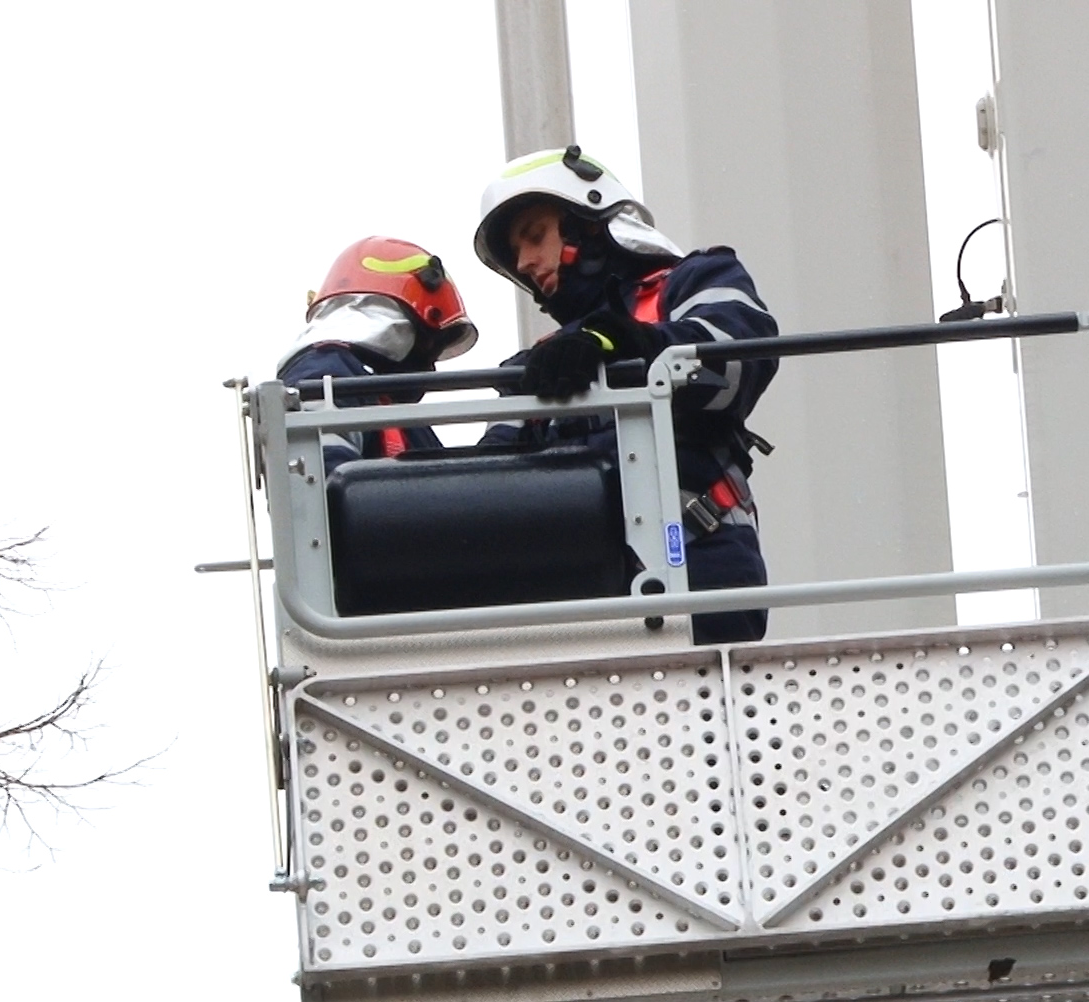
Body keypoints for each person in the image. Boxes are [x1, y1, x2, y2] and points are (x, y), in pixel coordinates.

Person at [472, 145, 778, 645]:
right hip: (574, 599)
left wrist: (626, 343)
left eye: (534, 235)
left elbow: (738, 360)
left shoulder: (696, 280)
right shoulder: (538, 365)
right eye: (516, 253)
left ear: (586, 223)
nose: (524, 262)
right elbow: (488, 478)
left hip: (699, 568)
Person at [277, 236, 478, 472]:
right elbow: (325, 479)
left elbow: (457, 484)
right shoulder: (325, 371)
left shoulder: (393, 409)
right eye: (427, 344)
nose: (429, 366)